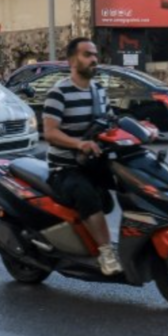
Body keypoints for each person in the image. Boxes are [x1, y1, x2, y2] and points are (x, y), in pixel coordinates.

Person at [42, 37, 121, 275]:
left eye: (95, 54)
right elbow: (50, 133)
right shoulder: (59, 93)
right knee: (87, 195)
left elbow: (109, 123)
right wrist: (79, 144)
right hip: (64, 168)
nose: (94, 59)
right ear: (72, 61)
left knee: (131, 184)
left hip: (93, 163)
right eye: (87, 54)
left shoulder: (99, 92)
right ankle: (105, 253)